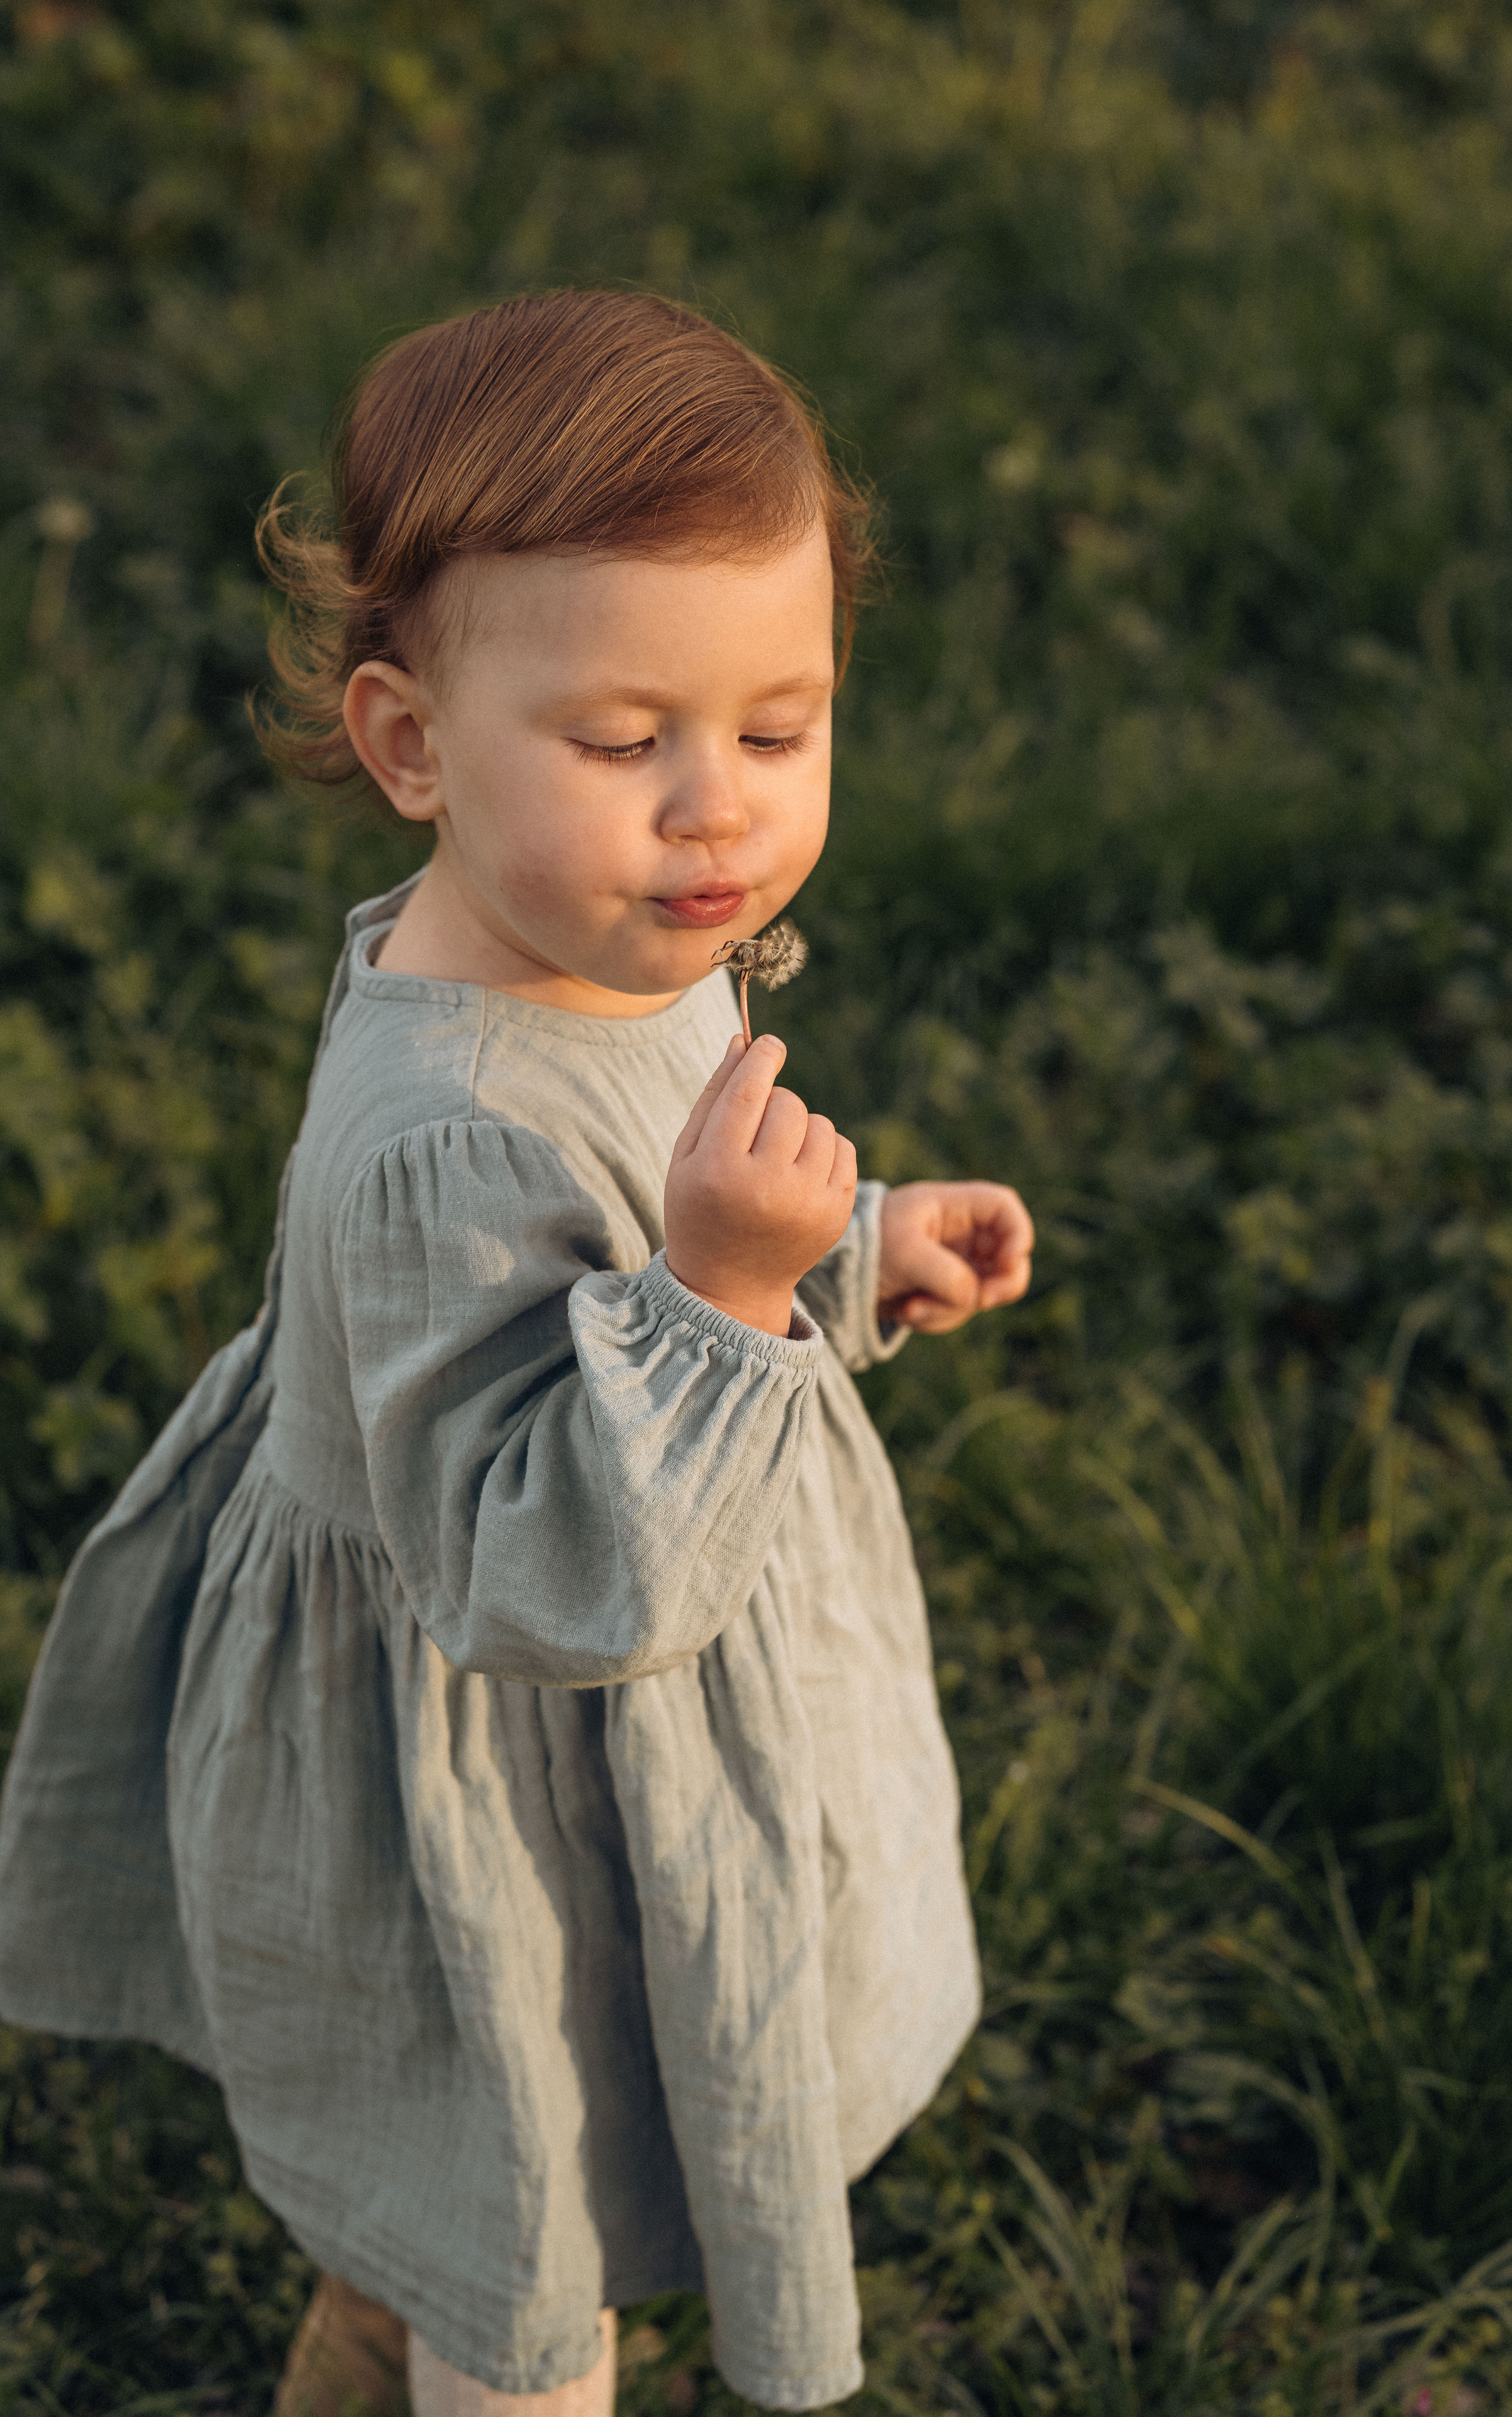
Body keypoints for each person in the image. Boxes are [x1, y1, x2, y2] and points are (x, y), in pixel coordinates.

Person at [0, 290, 1034, 2416]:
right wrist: (738, 1294)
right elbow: (541, 1575)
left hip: (616, 1721)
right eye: (621, 738)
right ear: (408, 746)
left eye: (777, 728)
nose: (714, 816)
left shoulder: (606, 939)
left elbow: (630, 1268)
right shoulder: (440, 1139)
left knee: (490, 2218)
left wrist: (841, 1251)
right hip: (495, 1779)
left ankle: (375, 2340)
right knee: (520, 2238)